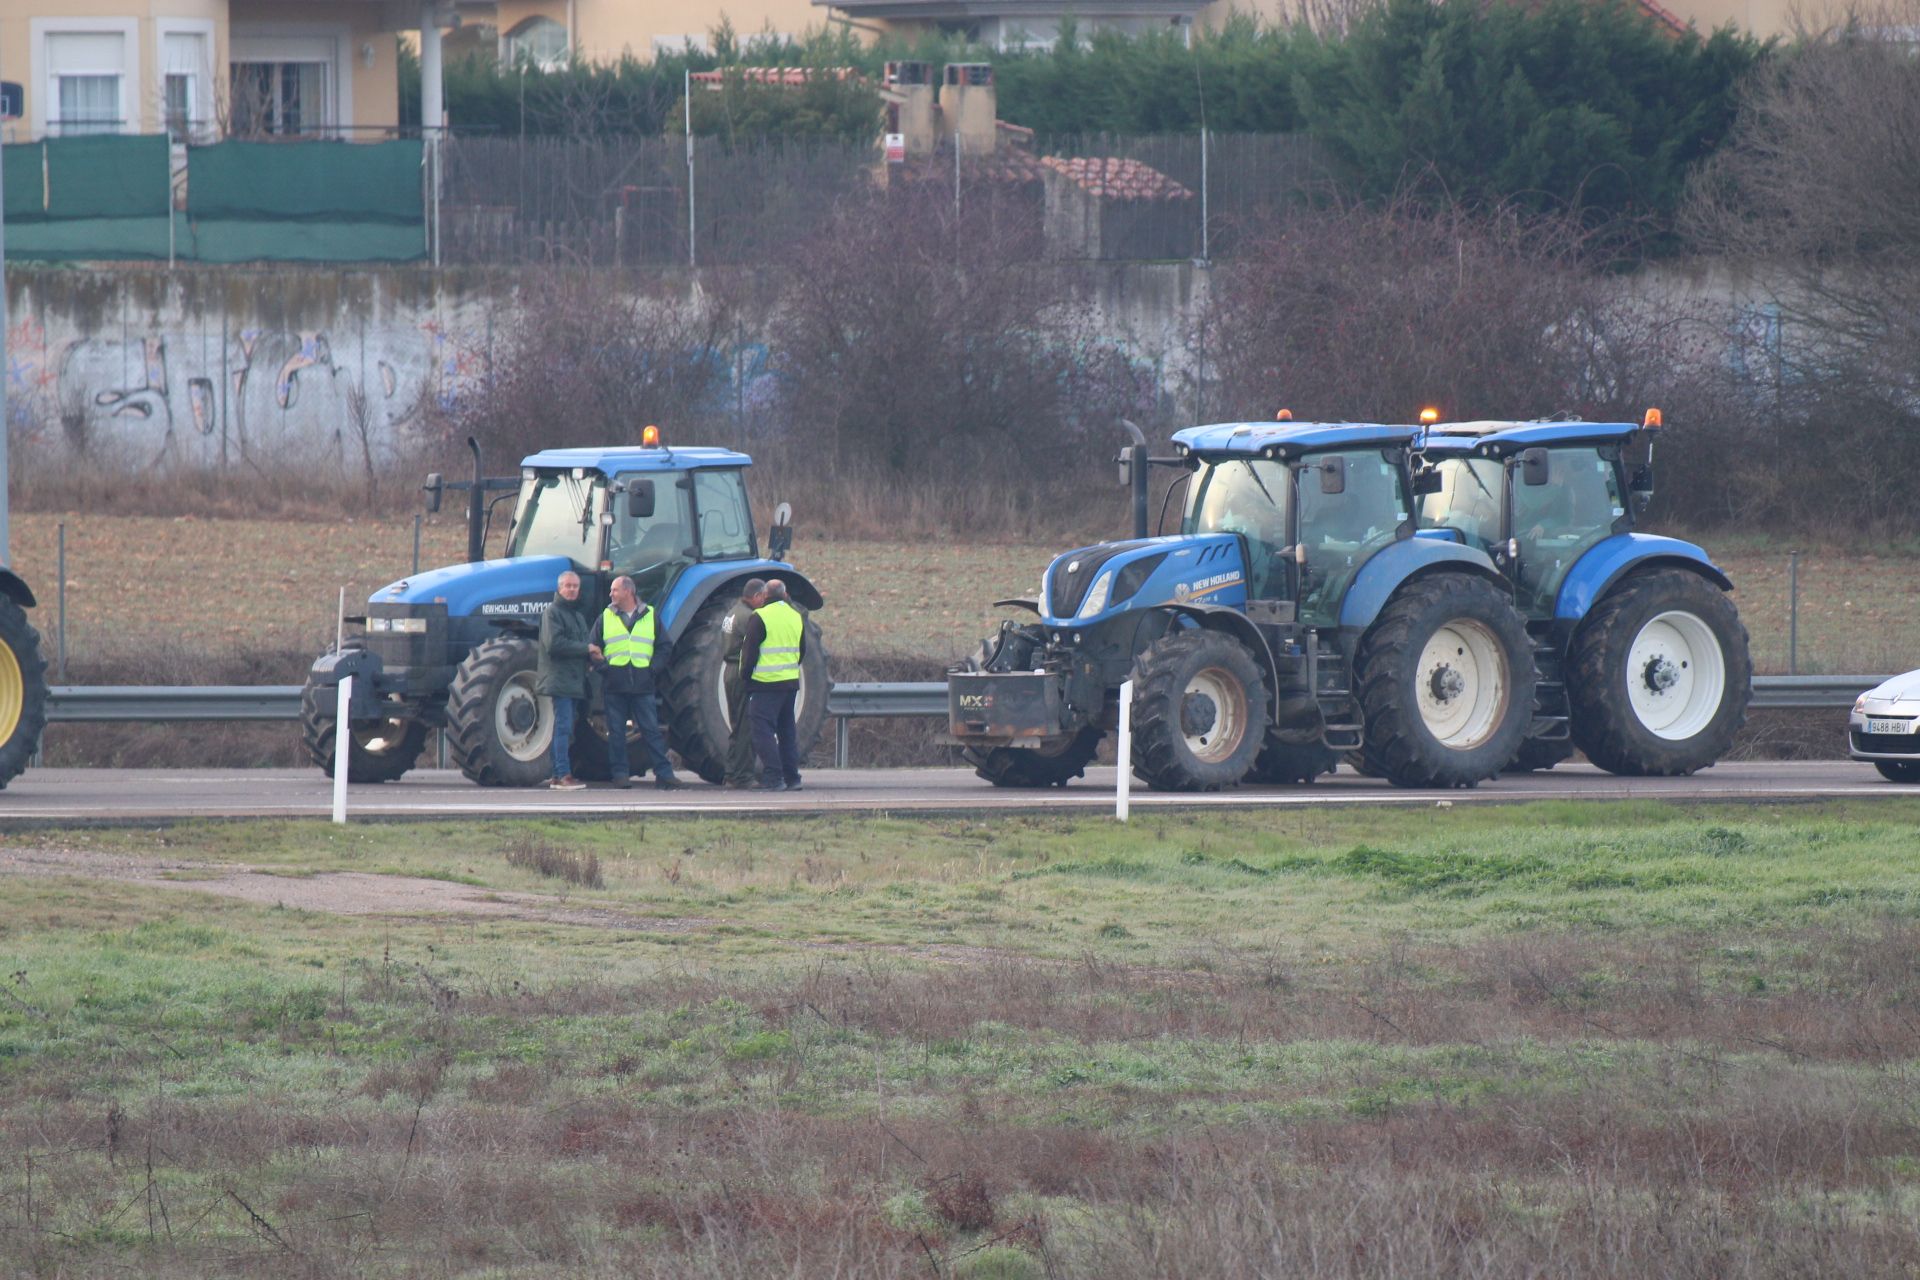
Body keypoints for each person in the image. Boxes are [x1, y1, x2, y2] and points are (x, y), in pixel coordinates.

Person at [590, 574, 681, 790]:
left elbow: (664, 646)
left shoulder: (650, 615)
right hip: (615, 685)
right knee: (617, 733)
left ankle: (665, 775)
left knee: (651, 730)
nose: (611, 594)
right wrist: (607, 670)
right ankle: (620, 775)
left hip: (643, 684)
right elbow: (593, 648)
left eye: (615, 590)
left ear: (628, 592)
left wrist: (652, 670)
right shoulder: (605, 616)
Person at [738, 578, 806, 792]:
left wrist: (746, 677)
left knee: (762, 732)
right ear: (785, 595)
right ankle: (792, 777)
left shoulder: (759, 616)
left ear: (764, 596)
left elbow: (749, 653)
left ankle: (773, 777)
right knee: (787, 732)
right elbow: (802, 650)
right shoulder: (796, 616)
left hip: (766, 684)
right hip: (790, 683)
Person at [537, 569, 593, 791]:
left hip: (574, 680)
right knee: (563, 727)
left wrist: (590, 655)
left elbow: (581, 644)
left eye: (575, 586)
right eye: (567, 586)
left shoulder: (577, 616)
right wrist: (586, 648)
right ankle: (562, 775)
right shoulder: (552, 612)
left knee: (565, 727)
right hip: (560, 680)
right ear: (559, 588)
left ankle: (556, 774)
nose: (571, 590)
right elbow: (555, 644)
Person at [719, 578, 768, 789]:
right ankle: (744, 776)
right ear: (756, 596)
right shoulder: (749, 617)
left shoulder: (732, 612)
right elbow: (751, 649)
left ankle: (731, 773)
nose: (765, 602)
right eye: (763, 598)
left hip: (729, 671)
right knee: (746, 727)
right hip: (741, 672)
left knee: (736, 726)